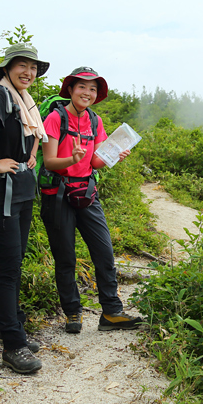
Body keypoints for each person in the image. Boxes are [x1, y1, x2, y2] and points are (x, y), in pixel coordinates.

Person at [40, 66, 145, 333]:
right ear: (71, 90)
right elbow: (50, 161)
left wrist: (114, 155)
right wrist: (72, 159)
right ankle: (73, 313)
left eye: (93, 88)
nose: (87, 92)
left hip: (87, 193)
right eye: (82, 87)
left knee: (104, 252)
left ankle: (111, 312)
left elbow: (95, 161)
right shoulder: (55, 118)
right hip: (58, 195)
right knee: (65, 257)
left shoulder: (95, 121)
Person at [0, 43, 49, 374]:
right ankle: (13, 345)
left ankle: (12, 326)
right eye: (21, 65)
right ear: (7, 68)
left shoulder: (25, 100)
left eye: (32, 67)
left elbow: (34, 131)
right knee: (8, 267)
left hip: (19, 190)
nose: (28, 72)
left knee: (15, 262)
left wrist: (29, 156)